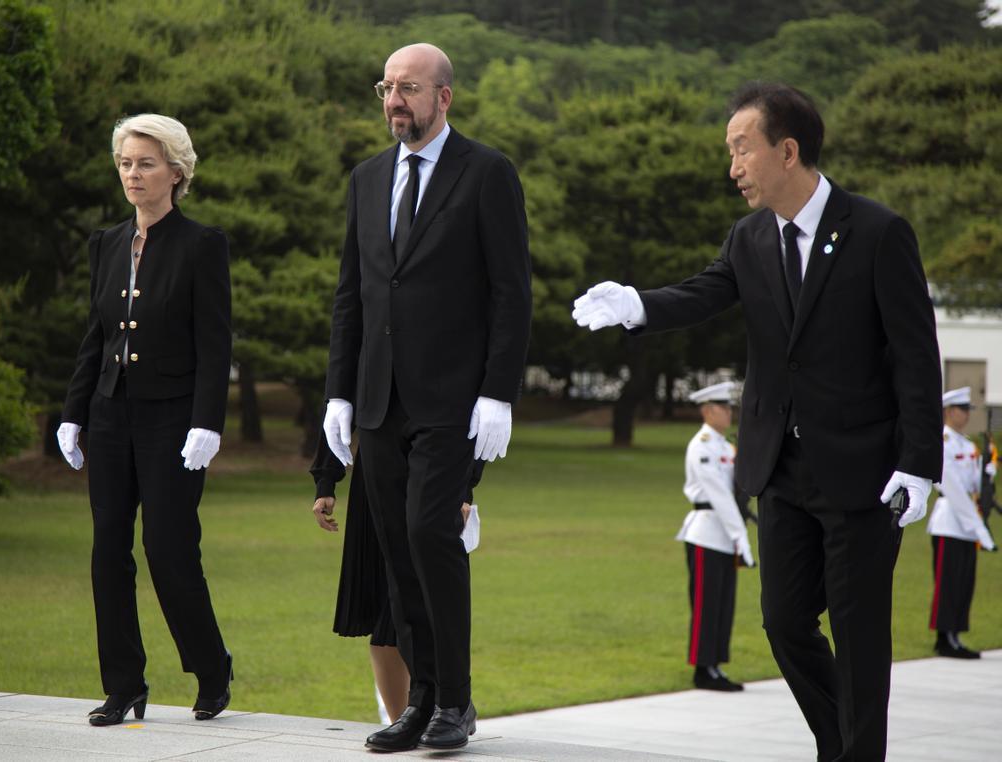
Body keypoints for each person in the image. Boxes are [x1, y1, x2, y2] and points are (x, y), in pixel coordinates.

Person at [572, 83, 943, 761]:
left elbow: (918, 359)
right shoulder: (748, 238)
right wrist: (637, 306)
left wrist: (919, 464)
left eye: (742, 149)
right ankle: (843, 745)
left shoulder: (878, 233)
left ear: (788, 150)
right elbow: (703, 292)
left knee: (861, 638)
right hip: (779, 468)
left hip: (862, 471)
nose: (733, 167)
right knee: (784, 624)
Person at [323, 43, 531, 752]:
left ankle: (457, 703)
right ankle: (421, 702)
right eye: (386, 87)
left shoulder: (487, 173)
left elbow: (511, 293)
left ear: (444, 96)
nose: (393, 101)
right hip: (378, 400)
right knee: (394, 549)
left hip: (452, 403)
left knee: (428, 533)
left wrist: (497, 395)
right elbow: (352, 295)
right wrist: (339, 395)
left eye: (408, 88)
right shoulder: (368, 177)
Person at [58, 113, 233, 727]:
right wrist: (73, 412)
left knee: (168, 548)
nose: (133, 174)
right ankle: (124, 685)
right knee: (109, 552)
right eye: (127, 163)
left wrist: (207, 423)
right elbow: (96, 336)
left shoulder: (202, 244)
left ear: (176, 173)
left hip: (173, 422)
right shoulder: (104, 243)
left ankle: (211, 668)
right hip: (110, 415)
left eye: (147, 163)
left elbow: (216, 345)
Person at [310, 437, 482, 724]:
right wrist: (326, 479)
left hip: (435, 464)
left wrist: (464, 487)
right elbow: (343, 396)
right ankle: (403, 723)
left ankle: (451, 704)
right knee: (384, 616)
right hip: (376, 470)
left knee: (426, 607)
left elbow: (470, 405)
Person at [677, 381, 754, 692]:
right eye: (723, 408)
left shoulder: (724, 445)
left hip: (724, 533)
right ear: (707, 411)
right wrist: (742, 537)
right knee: (706, 603)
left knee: (723, 602)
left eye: (730, 407)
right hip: (707, 531)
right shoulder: (703, 445)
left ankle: (716, 665)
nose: (729, 413)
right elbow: (719, 496)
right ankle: (702, 668)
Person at [927, 386, 996, 658]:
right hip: (949, 520)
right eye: (963, 409)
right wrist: (978, 526)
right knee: (948, 582)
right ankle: (943, 638)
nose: (967, 415)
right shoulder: (942, 442)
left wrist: (988, 469)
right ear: (949, 411)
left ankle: (955, 633)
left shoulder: (968, 445)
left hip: (968, 520)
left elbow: (973, 485)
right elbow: (952, 486)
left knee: (964, 582)